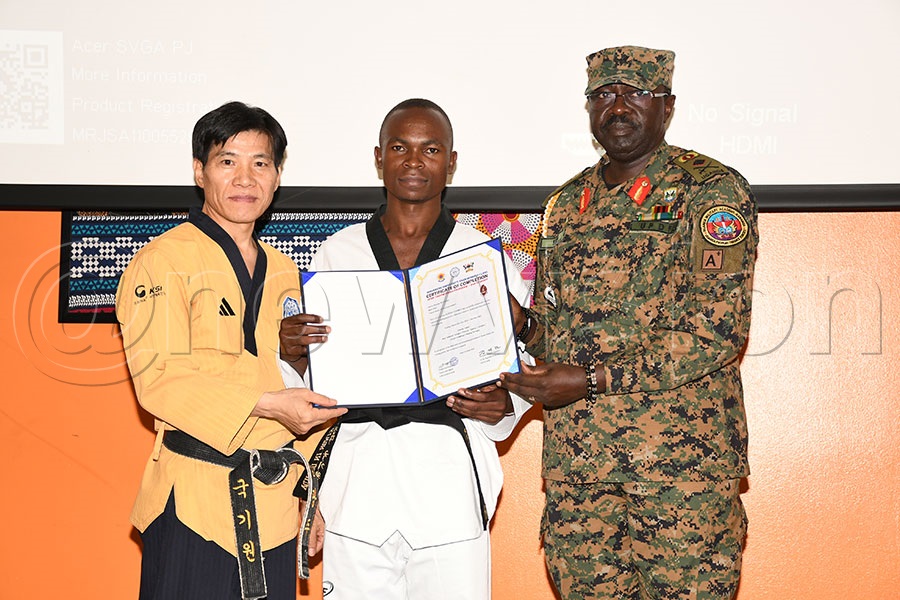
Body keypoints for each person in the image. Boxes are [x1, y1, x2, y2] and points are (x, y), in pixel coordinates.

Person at [499, 46, 758, 599]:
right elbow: (555, 330)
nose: (618, 107)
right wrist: (518, 323)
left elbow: (714, 331)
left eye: (635, 93)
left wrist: (591, 380)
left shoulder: (710, 192)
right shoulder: (566, 205)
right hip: (581, 474)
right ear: (589, 108)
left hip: (678, 471)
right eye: (603, 95)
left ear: (667, 106)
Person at [279, 98, 532, 599]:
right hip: (358, 480)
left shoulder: (483, 258)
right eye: (400, 147)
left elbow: (523, 374)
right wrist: (292, 355)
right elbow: (308, 386)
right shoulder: (336, 251)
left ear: (451, 163)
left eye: (430, 149)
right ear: (379, 159)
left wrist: (504, 405)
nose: (414, 161)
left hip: (450, 483)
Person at [115, 101, 346, 600]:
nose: (245, 177)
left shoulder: (287, 272)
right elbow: (160, 382)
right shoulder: (161, 261)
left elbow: (299, 386)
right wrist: (264, 404)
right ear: (200, 172)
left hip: (277, 507)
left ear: (278, 175)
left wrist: (309, 496)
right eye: (227, 161)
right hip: (194, 503)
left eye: (260, 163)